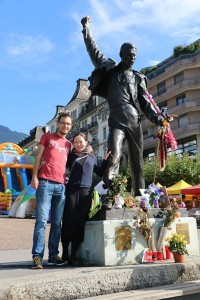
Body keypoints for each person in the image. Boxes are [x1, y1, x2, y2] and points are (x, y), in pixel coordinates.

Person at [81, 16, 163, 196]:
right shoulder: (109, 71)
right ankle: (111, 195)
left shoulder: (138, 77)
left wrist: (158, 119)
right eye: (129, 55)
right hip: (117, 120)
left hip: (134, 120)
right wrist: (86, 30)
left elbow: (145, 103)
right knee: (114, 156)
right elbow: (94, 50)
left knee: (137, 163)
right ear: (121, 55)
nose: (132, 58)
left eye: (134, 56)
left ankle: (140, 197)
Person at [61, 132, 110, 265]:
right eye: (76, 142)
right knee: (68, 220)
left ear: (86, 142)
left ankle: (74, 256)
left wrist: (105, 160)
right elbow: (61, 169)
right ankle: (65, 253)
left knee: (80, 221)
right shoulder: (70, 157)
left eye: (80, 141)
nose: (78, 144)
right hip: (71, 190)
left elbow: (99, 172)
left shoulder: (92, 157)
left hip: (86, 192)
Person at [31, 113, 72, 269]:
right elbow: (38, 157)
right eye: (63, 123)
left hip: (61, 186)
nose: (65, 126)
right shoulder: (47, 137)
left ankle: (53, 255)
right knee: (41, 221)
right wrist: (34, 176)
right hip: (45, 183)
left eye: (68, 124)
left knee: (56, 223)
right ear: (58, 123)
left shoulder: (68, 144)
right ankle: (37, 256)